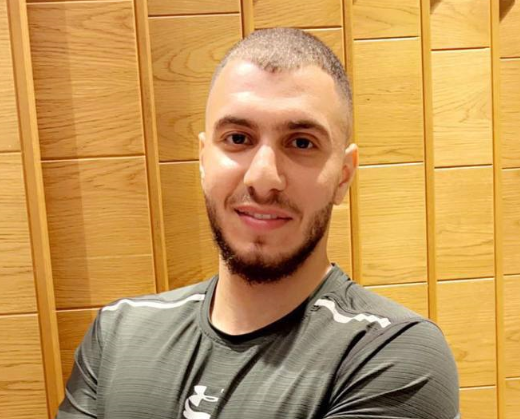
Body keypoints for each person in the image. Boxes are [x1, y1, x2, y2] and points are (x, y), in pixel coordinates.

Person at [57, 28, 460, 419]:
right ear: (203, 161)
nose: (264, 178)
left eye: (301, 143)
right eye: (238, 139)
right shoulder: (119, 333)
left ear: (343, 176)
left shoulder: (391, 353)